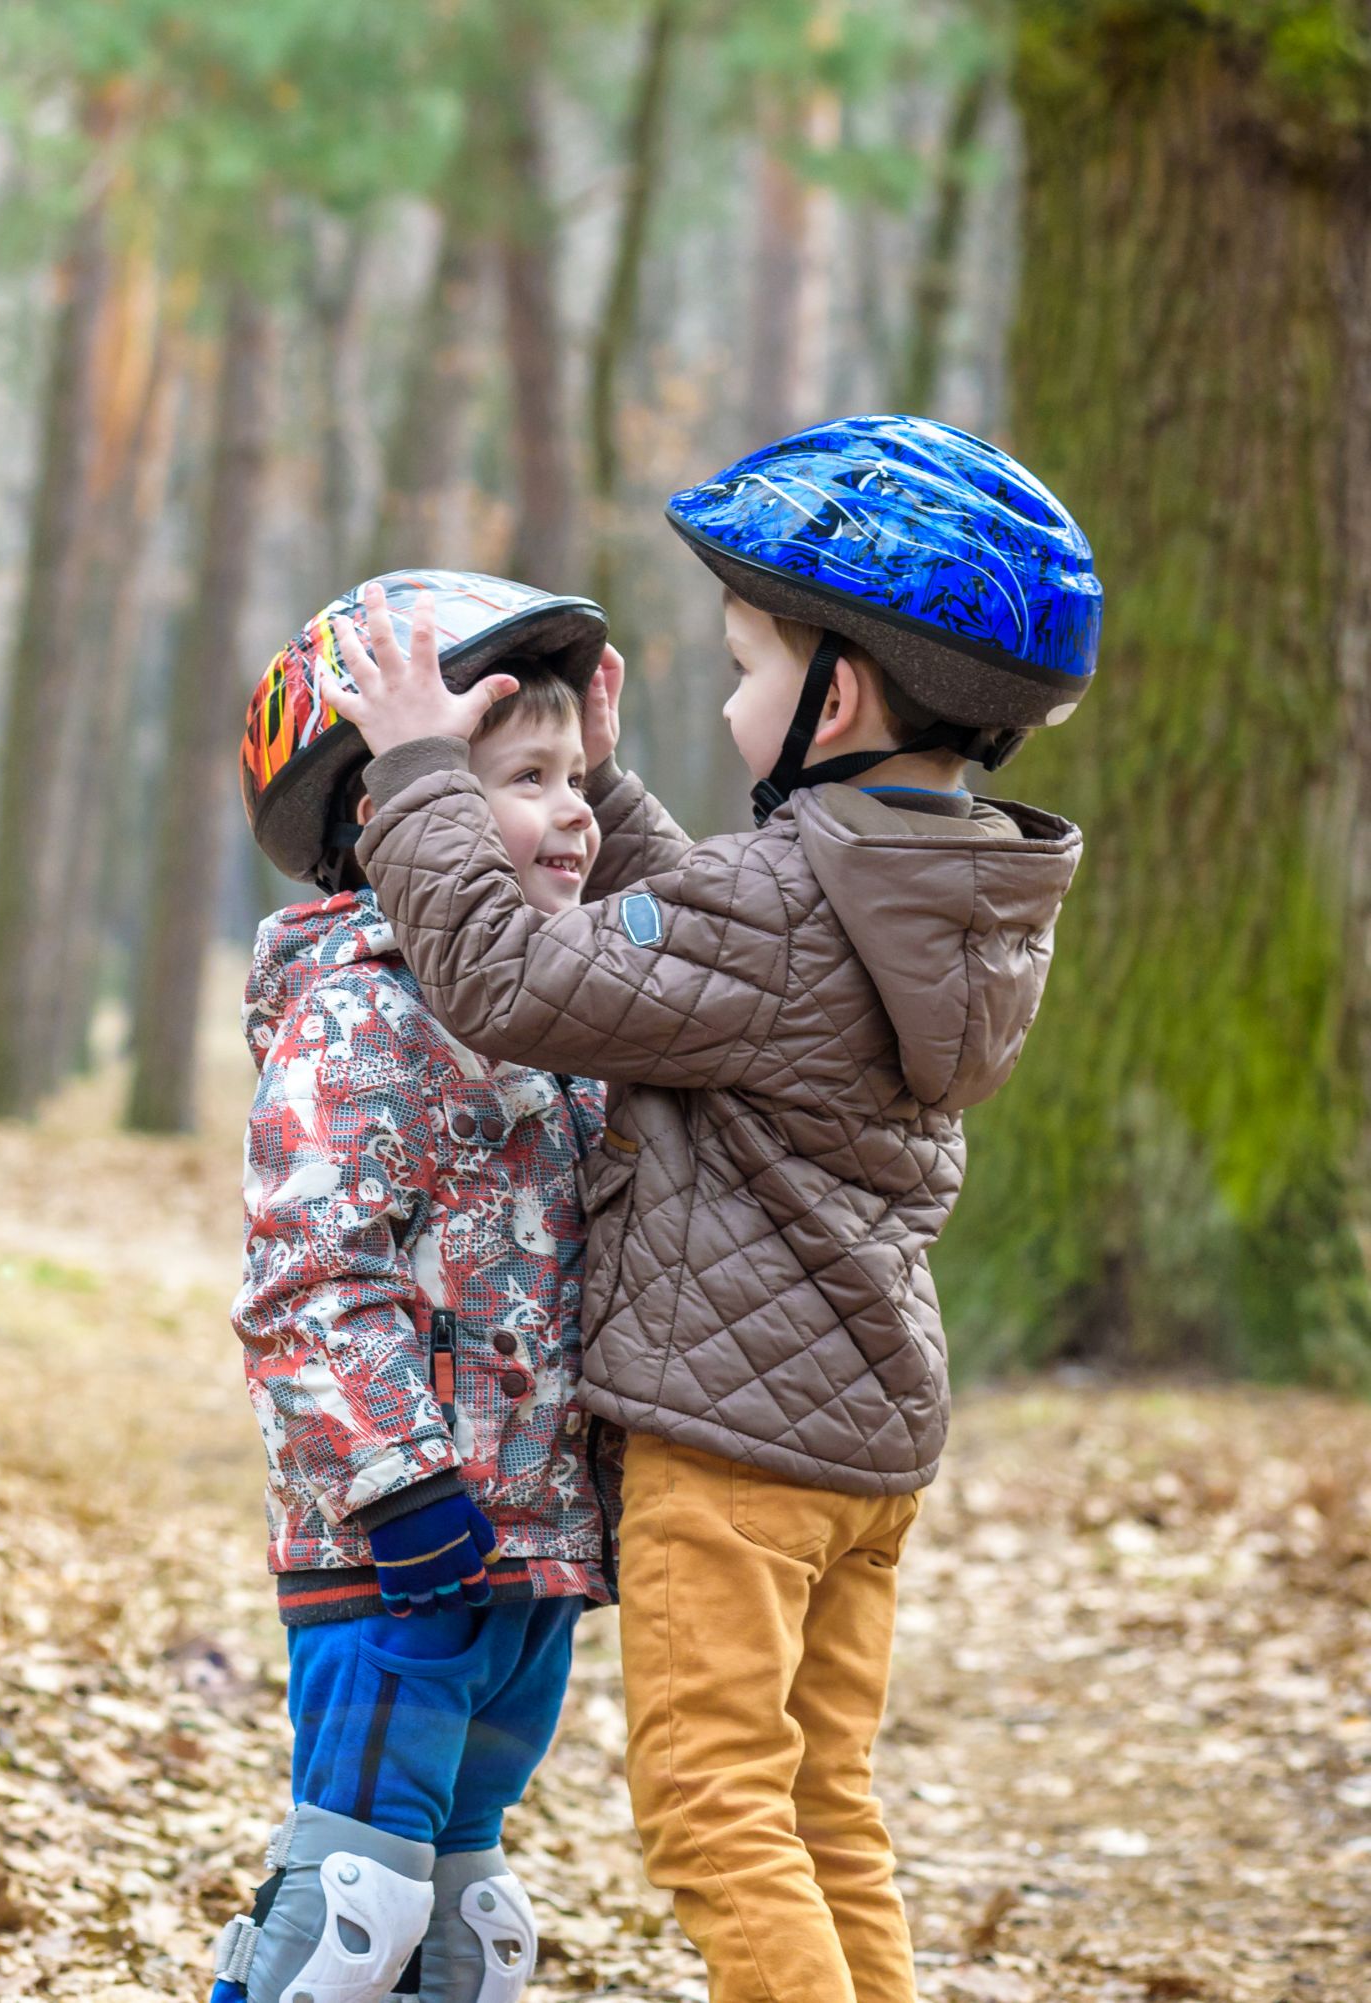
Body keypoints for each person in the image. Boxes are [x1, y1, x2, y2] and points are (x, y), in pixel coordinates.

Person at [319, 417, 1095, 2003]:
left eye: (747, 667)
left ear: (842, 695)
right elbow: (719, 954)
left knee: (716, 1817)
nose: (730, 701)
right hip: (862, 1450)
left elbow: (512, 976)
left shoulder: (777, 905)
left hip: (728, 1457)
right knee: (825, 1810)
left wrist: (413, 774)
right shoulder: (942, 896)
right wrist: (596, 779)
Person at [212, 570, 628, 2003]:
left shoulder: (551, 1001)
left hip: (527, 1555)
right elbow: (304, 1278)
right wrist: (395, 1480)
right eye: (527, 778)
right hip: (401, 1547)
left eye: (577, 776)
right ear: (383, 818)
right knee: (354, 1904)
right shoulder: (358, 1011)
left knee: (471, 1916)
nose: (574, 809)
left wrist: (596, 794)